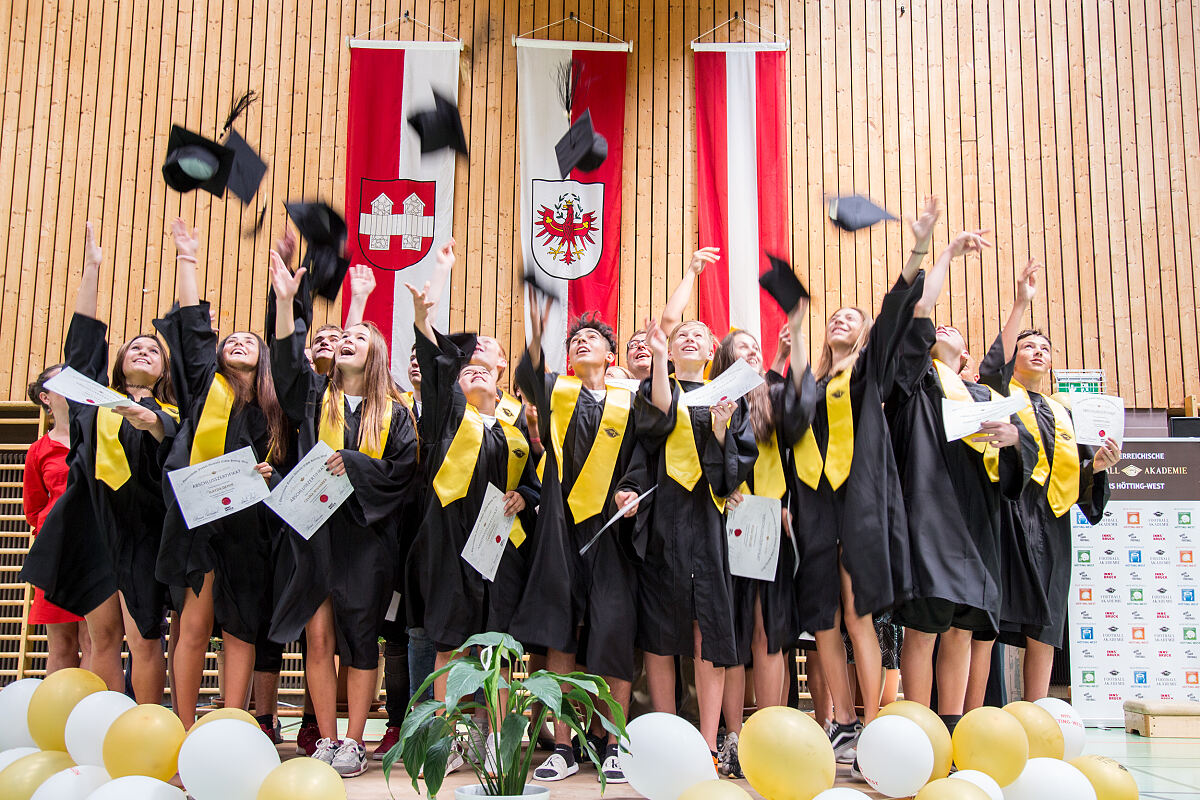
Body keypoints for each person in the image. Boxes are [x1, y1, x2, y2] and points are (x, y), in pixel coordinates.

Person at [779, 198, 936, 764]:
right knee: (820, 611)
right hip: (814, 503)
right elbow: (785, 427)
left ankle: (872, 719)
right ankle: (840, 720)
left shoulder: (867, 373)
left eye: (852, 316)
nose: (841, 319)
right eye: (834, 316)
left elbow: (897, 311)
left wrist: (919, 249)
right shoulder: (813, 383)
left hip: (859, 498)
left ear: (865, 333)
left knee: (856, 610)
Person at [268, 251, 419, 777]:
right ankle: (326, 738)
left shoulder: (394, 413)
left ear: (376, 354)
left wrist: (352, 463)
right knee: (318, 637)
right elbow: (287, 368)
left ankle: (356, 739)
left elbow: (401, 473)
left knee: (361, 638)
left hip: (367, 538)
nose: (348, 340)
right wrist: (287, 302)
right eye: (344, 338)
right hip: (316, 532)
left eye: (359, 337)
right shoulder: (315, 398)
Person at [21, 222, 179, 703]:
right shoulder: (93, 402)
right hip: (94, 528)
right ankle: (107, 725)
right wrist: (91, 269)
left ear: (163, 370)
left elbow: (169, 448)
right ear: (120, 362)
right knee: (102, 638)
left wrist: (147, 418)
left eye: (154, 349)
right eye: (136, 346)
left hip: (144, 533)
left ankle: (149, 726)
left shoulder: (172, 414)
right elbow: (83, 346)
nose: (144, 351)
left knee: (145, 639)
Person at [886, 225, 1037, 727]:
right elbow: (920, 314)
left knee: (963, 629)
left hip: (978, 520)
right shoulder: (917, 382)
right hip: (930, 512)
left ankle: (954, 726)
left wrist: (1015, 440)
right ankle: (919, 725)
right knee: (925, 625)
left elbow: (1001, 361)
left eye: (957, 333)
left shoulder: (983, 396)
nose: (945, 331)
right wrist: (946, 253)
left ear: (968, 361)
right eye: (938, 332)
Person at [405, 240, 540, 771]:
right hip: (449, 543)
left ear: (502, 372)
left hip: (501, 546)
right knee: (450, 643)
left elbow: (535, 481)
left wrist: (524, 494)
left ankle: (497, 739)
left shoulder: (515, 423)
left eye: (488, 364)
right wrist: (432, 293)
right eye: (469, 367)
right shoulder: (446, 415)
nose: (478, 369)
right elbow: (436, 358)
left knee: (499, 648)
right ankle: (452, 739)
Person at [155, 218, 291, 728]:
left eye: (248, 341)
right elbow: (193, 329)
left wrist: (268, 476)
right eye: (229, 339)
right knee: (192, 623)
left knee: (241, 629)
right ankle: (183, 726)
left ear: (264, 358)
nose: (237, 342)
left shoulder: (277, 410)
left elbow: (289, 471)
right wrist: (187, 258)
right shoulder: (204, 391)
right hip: (198, 522)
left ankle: (233, 724)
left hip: (251, 529)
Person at [510, 298, 639, 784]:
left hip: (611, 532)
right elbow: (528, 372)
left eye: (592, 338)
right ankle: (562, 746)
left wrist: (632, 488)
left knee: (613, 632)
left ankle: (613, 742)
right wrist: (539, 332)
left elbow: (643, 456)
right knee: (561, 634)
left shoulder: (630, 401)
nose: (581, 341)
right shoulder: (556, 393)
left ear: (610, 354)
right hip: (560, 530)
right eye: (574, 340)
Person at [979, 259, 1119, 700]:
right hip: (1006, 513)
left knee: (1049, 617)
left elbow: (1077, 477)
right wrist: (1021, 303)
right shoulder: (1001, 395)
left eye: (1045, 347)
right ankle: (987, 707)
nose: (1038, 351)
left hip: (1053, 520)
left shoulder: (1066, 412)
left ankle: (1038, 708)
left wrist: (1095, 467)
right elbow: (992, 366)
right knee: (993, 617)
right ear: (1014, 358)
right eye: (1029, 346)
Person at [631, 315, 756, 766]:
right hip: (664, 517)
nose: (689, 335)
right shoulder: (653, 390)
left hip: (707, 523)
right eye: (682, 331)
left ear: (710, 352)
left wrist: (721, 429)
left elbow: (731, 477)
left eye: (699, 334)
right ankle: (668, 741)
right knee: (661, 631)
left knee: (709, 629)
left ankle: (705, 743)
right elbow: (643, 446)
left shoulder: (727, 400)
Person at [708, 306, 809, 777]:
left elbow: (799, 434)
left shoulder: (772, 394)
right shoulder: (717, 402)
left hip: (768, 521)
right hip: (725, 520)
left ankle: (770, 728)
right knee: (731, 633)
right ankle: (732, 736)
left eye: (755, 346)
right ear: (726, 358)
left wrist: (784, 360)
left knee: (769, 633)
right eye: (740, 348)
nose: (750, 351)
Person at [23, 365, 92, 674]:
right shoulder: (38, 450)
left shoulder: (96, 438)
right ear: (45, 398)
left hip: (96, 548)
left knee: (95, 640)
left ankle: (91, 718)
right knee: (61, 643)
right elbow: (34, 508)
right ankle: (60, 718)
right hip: (58, 553)